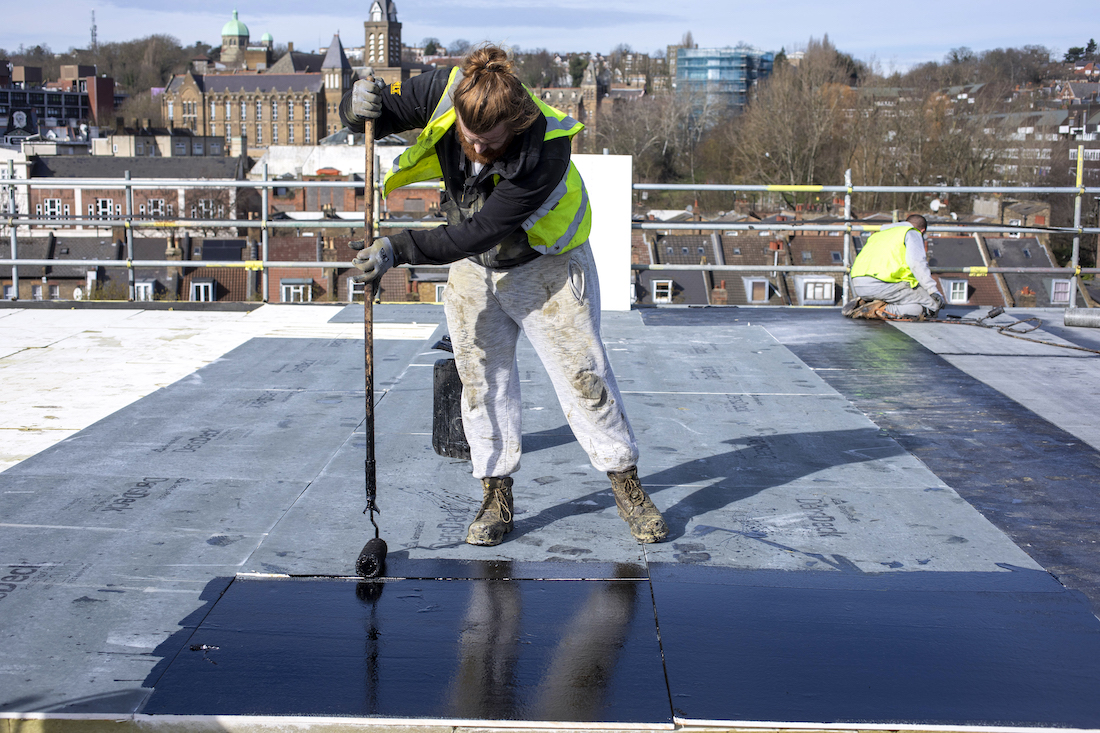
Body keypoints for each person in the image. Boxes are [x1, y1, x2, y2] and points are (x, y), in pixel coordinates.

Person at [340, 46, 669, 546]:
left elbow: (479, 231)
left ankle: (626, 484)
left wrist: (398, 247)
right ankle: (496, 494)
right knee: (480, 382)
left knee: (584, 378)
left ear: (513, 127)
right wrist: (354, 104)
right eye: (467, 138)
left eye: (489, 144)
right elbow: (382, 110)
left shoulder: (545, 150)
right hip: (477, 270)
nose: (475, 149)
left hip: (546, 267)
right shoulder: (446, 90)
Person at [842, 214, 946, 320]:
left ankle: (866, 302)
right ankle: (879, 311)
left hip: (859, 284)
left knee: (912, 300)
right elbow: (917, 263)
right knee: (932, 306)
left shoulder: (879, 234)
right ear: (922, 230)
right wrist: (932, 290)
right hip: (883, 284)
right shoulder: (912, 232)